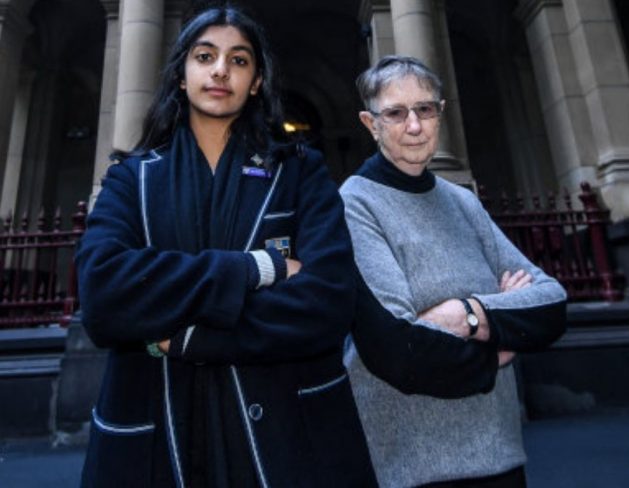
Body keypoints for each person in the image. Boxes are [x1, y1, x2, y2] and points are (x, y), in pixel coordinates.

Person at [75, 6, 376, 487]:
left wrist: (194, 338)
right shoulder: (129, 178)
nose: (220, 70)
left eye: (239, 60)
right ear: (181, 75)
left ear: (256, 81)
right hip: (157, 433)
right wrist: (257, 269)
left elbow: (328, 303)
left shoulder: (300, 172)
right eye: (205, 56)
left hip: (287, 437)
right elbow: (104, 296)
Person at [340, 55, 567, 487]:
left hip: (500, 453)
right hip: (411, 466)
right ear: (371, 123)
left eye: (426, 109)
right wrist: (499, 343)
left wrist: (466, 314)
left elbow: (552, 303)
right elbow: (398, 351)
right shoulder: (355, 203)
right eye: (396, 113)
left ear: (440, 114)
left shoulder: (463, 201)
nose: (414, 126)